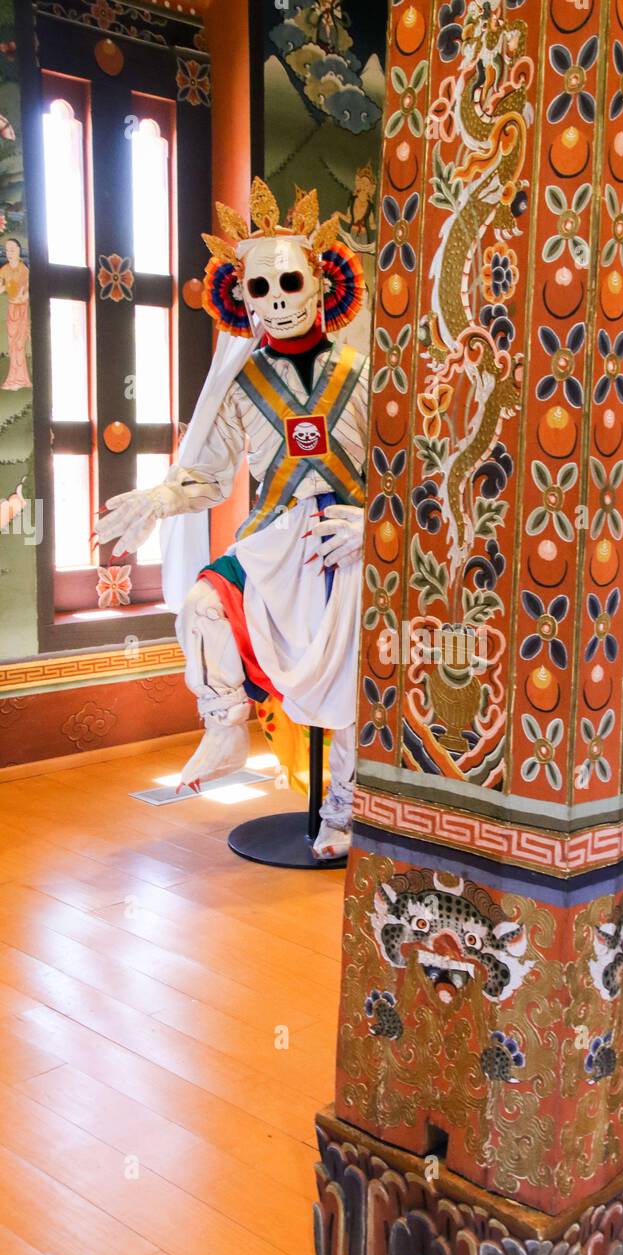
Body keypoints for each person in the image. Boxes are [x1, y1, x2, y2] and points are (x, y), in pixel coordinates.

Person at [95, 181, 368, 859]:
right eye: (259, 287)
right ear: (239, 296)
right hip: (274, 542)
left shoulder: (367, 374)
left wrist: (376, 523)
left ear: (322, 284)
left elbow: (418, 469)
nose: (275, 299)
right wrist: (161, 497)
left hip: (349, 547)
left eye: (289, 280)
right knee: (201, 607)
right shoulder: (242, 382)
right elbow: (210, 475)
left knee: (351, 688)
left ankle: (341, 809)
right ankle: (223, 723)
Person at [0, 238, 31, 390]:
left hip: (22, 309)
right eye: (7, 250)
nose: (10, 253)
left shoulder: (24, 270)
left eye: (12, 249)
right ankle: (13, 378)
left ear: (19, 251)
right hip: (12, 309)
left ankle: (21, 378)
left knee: (20, 343)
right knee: (12, 345)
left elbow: (28, 291)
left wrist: (22, 297)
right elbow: (2, 287)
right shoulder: (4, 269)